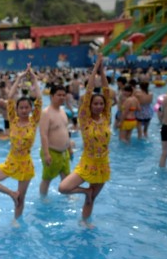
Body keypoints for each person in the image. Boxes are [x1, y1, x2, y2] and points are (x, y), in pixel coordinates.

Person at [0, 64, 42, 220]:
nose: (23, 110)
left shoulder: (33, 121)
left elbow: (40, 100)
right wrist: (19, 78)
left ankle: (16, 220)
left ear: (30, 109)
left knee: (22, 198)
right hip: (11, 161)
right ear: (17, 108)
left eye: (27, 107)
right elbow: (10, 98)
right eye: (21, 107)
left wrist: (34, 79)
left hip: (26, 164)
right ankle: (10, 193)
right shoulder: (13, 120)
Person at [59, 55, 112, 225]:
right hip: (87, 163)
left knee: (91, 200)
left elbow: (106, 91)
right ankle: (85, 191)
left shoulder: (106, 118)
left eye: (101, 104)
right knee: (64, 188)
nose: (98, 106)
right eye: (95, 104)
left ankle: (85, 221)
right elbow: (88, 92)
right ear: (89, 106)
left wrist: (102, 72)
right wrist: (95, 69)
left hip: (102, 164)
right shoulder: (84, 119)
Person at [39, 84, 71, 196]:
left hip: (64, 152)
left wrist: (69, 149)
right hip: (51, 152)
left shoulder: (62, 111)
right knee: (47, 178)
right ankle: (43, 198)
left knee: (67, 177)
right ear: (52, 96)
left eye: (64, 95)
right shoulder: (46, 113)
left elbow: (66, 131)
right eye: (59, 95)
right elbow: (43, 135)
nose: (62, 97)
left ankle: (69, 197)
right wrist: (46, 154)